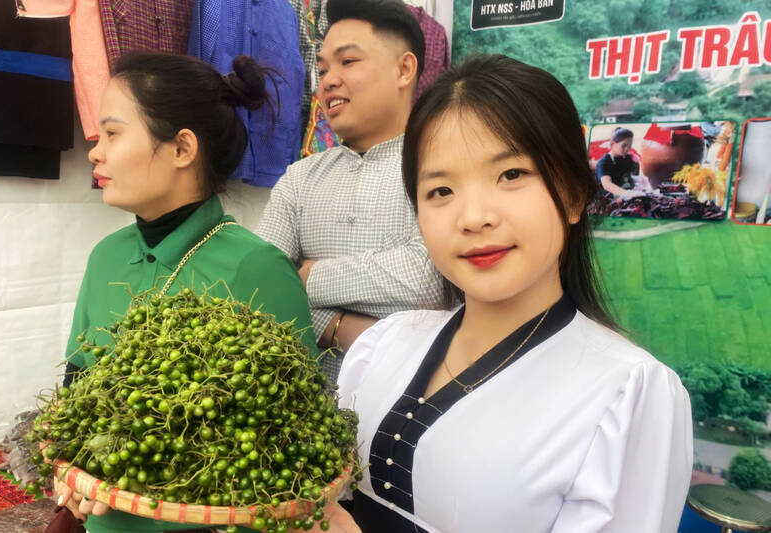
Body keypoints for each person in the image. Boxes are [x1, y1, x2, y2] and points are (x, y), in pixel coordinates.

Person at [318, 55, 693, 532]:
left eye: (511, 174)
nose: (473, 216)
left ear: (574, 195)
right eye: (440, 190)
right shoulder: (383, 344)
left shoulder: (628, 395)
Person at [55, 51, 317, 533]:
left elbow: (295, 442)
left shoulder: (257, 270)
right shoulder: (105, 257)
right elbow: (77, 390)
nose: (95, 151)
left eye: (113, 133)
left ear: (182, 148)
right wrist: (70, 470)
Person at [255, 0, 443, 381]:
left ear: (404, 69)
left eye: (348, 62)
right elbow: (262, 286)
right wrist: (338, 325)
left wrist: (307, 277)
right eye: (322, 68)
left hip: (412, 400)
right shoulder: (299, 177)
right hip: (304, 418)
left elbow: (432, 278)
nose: (328, 80)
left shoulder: (442, 167)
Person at [595, 127, 645, 198]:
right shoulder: (604, 162)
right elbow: (606, 184)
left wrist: (636, 179)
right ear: (612, 143)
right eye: (624, 146)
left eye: (629, 146)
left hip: (624, 197)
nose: (627, 149)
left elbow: (624, 177)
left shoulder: (626, 158)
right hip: (609, 199)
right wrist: (627, 193)